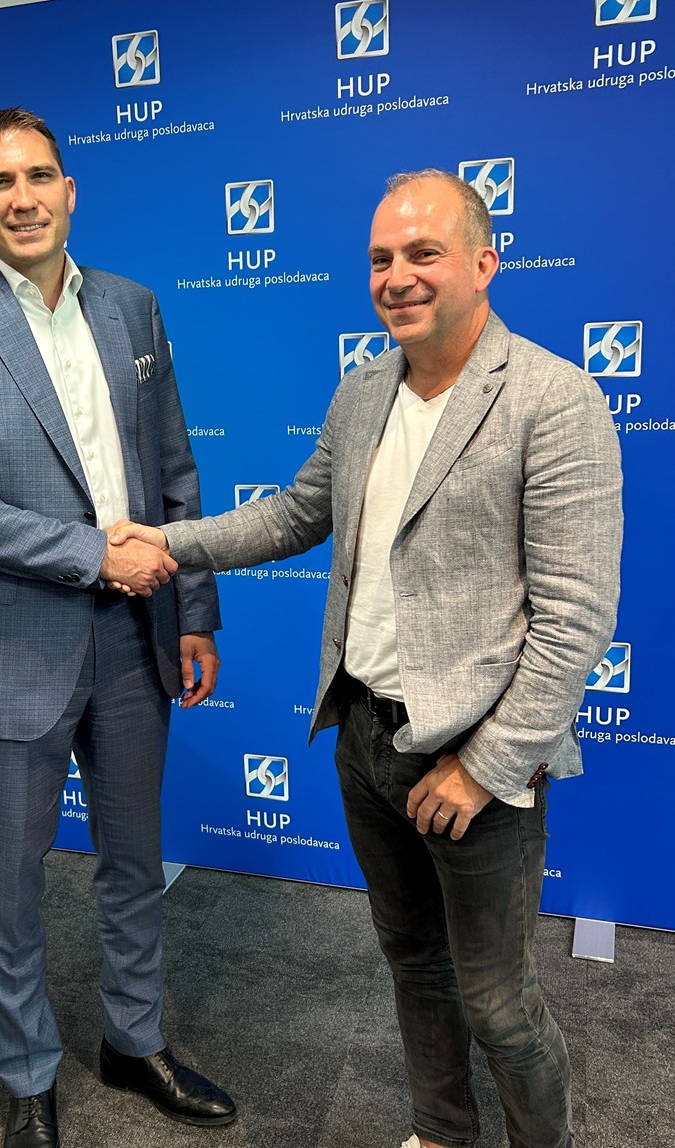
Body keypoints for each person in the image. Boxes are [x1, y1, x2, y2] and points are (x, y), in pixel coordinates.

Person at [109, 170, 623, 1148]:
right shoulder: (363, 390)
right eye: (381, 258)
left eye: (423, 253)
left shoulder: (556, 399)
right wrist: (167, 543)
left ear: (484, 261)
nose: (397, 276)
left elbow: (577, 619)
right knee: (414, 962)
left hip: (477, 762)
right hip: (366, 740)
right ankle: (442, 1131)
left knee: (500, 1001)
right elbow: (292, 515)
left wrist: (484, 766)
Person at [0, 107, 236, 1148]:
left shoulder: (131, 307)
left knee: (135, 861)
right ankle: (28, 1072)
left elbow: (174, 471)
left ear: (70, 189)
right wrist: (93, 552)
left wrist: (193, 609)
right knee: (8, 883)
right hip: (8, 647)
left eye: (39, 176)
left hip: (136, 638)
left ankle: (135, 1040)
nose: (24, 198)